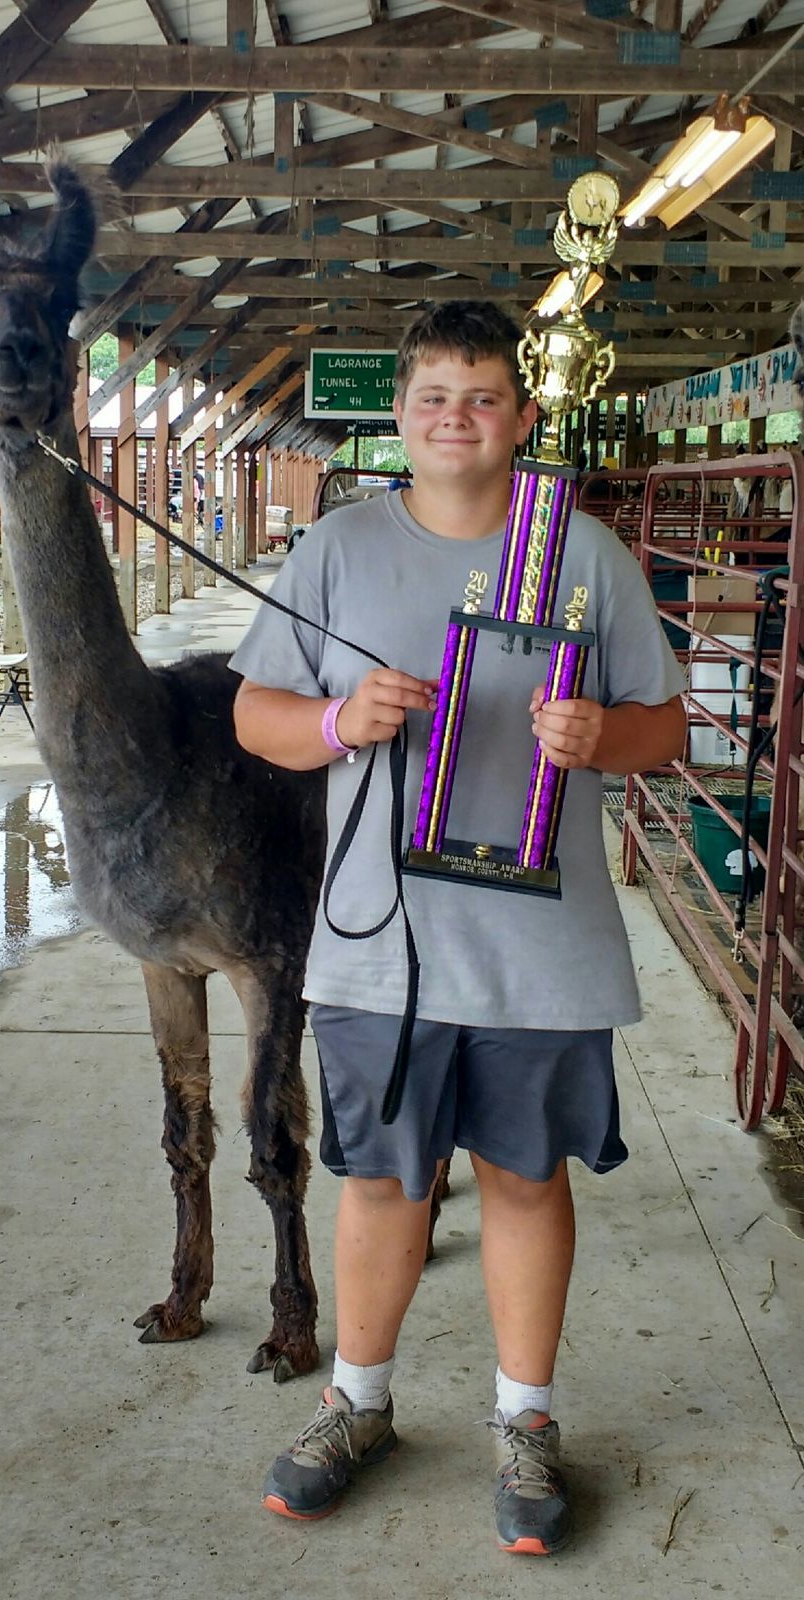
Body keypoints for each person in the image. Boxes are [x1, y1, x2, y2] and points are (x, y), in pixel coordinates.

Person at [230, 301, 685, 1556]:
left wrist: (603, 734)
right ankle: (357, 1403)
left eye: (483, 398)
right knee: (384, 1177)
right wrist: (339, 723)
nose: (456, 419)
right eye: (434, 397)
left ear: (521, 417)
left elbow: (663, 726)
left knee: (526, 1177)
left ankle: (525, 1418)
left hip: (542, 944)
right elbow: (258, 715)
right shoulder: (337, 548)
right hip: (381, 939)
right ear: (400, 413)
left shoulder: (582, 553)